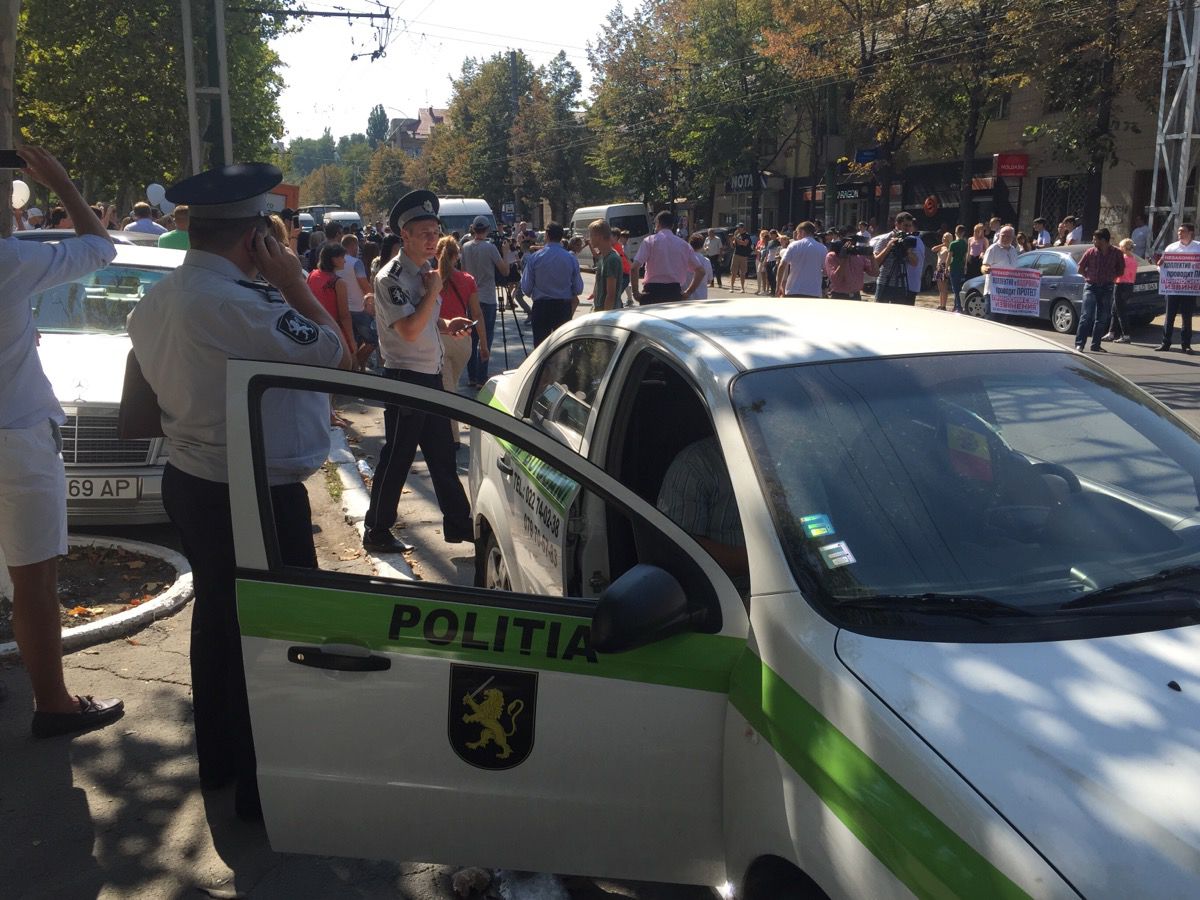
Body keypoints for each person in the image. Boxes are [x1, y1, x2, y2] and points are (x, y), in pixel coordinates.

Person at [127, 163, 351, 820]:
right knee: (274, 636)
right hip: (251, 496)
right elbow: (332, 350)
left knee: (221, 624)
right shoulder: (235, 302)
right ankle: (270, 786)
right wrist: (290, 280)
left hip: (197, 482)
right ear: (257, 235)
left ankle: (224, 760)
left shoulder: (160, 299)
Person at [2, 144, 123, 739]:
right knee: (34, 580)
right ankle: (53, 704)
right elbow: (101, 246)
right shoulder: (9, 262)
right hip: (17, 436)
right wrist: (64, 185)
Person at [362, 189, 474, 551]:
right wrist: (435, 291)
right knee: (397, 457)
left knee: (443, 455)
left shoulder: (424, 271)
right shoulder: (390, 277)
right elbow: (408, 330)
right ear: (404, 236)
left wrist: (444, 323)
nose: (432, 240)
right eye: (423, 232)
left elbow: (421, 320)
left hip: (429, 375)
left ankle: (460, 525)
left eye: (435, 231)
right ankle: (376, 530)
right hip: (405, 378)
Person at [656, 436, 747, 588]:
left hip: (794, 580)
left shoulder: (787, 455)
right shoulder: (695, 464)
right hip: (726, 595)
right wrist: (758, 562)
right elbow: (678, 548)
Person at [436, 236, 487, 439]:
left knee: (447, 390)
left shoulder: (430, 278)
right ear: (457, 256)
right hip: (462, 340)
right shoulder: (467, 279)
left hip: (439, 337)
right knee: (451, 386)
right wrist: (483, 343)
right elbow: (477, 313)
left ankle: (451, 437)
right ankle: (448, 433)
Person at [460, 216, 508, 387]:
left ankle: (472, 375)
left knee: (472, 338)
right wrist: (507, 253)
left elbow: (463, 272)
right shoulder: (490, 248)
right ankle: (482, 376)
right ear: (487, 229)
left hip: (470, 297)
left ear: (473, 228)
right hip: (487, 296)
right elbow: (504, 270)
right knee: (485, 337)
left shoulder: (465, 247)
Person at [520, 221, 584, 346]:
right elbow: (578, 288)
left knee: (540, 348)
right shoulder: (571, 259)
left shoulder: (535, 257)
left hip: (541, 307)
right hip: (563, 308)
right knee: (562, 348)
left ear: (547, 235)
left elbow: (526, 288)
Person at [631, 211, 705, 305]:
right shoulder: (684, 245)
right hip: (674, 292)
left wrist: (635, 293)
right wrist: (688, 292)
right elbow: (701, 271)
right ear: (673, 225)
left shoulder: (649, 241)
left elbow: (634, 268)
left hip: (652, 293)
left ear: (658, 223)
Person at [1074, 228, 1125, 352]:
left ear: (1103, 240)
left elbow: (1121, 270)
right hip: (1091, 286)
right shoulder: (1090, 252)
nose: (1093, 241)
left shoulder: (1116, 253)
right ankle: (1080, 343)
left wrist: (1111, 277)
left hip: (1107, 287)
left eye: (1095, 239)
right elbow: (1080, 269)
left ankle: (1095, 345)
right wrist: (1088, 277)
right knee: (1086, 316)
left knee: (1102, 318)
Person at [1156, 221, 1200, 354]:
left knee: (1187, 317)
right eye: (1179, 231)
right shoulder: (1171, 248)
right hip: (1172, 288)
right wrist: (1160, 265)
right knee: (1169, 316)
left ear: (1191, 233)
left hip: (1190, 288)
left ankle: (1186, 345)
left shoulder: (1198, 248)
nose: (1179, 233)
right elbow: (1162, 267)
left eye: (1183, 231)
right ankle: (1165, 343)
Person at [307, 242, 356, 353]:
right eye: (342, 257)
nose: (344, 260)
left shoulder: (312, 275)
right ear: (334, 259)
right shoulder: (338, 283)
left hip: (316, 330)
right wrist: (352, 341)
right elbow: (344, 316)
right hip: (335, 333)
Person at [338, 233, 377, 369]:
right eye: (357, 246)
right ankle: (356, 365)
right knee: (373, 340)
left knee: (353, 342)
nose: (358, 249)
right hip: (360, 308)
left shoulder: (337, 261)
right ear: (353, 245)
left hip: (344, 309)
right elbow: (364, 285)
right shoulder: (356, 263)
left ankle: (358, 368)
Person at [871, 212, 922, 305]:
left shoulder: (909, 240)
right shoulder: (884, 239)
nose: (908, 229)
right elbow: (875, 262)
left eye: (910, 226)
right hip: (884, 282)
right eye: (905, 225)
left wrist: (908, 251)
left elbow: (915, 263)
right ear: (897, 224)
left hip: (901, 284)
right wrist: (888, 247)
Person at [981, 225, 1021, 319]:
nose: (1006, 238)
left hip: (1007, 293)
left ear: (1013, 238)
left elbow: (1016, 270)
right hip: (993, 292)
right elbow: (983, 266)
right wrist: (986, 269)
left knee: (1003, 321)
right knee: (991, 320)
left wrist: (1033, 277)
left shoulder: (1013, 251)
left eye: (1008, 236)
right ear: (999, 235)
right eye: (1003, 235)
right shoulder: (993, 249)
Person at [824, 231, 878, 301]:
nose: (851, 244)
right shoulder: (832, 256)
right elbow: (836, 280)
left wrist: (871, 256)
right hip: (839, 296)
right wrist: (844, 258)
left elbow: (875, 273)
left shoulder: (859, 255)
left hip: (856, 296)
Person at [1103, 238, 1137, 344]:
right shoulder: (1133, 259)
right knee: (1115, 310)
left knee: (1120, 311)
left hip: (1121, 285)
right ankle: (1111, 332)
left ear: (1124, 248)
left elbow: (1116, 271)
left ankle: (1126, 335)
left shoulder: (1124, 259)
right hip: (1129, 285)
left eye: (1120, 246)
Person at [589, 220, 623, 312]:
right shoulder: (603, 257)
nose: (589, 238)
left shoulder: (612, 259)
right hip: (599, 310)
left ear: (599, 237)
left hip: (608, 314)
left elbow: (610, 295)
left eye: (591, 235)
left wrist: (603, 317)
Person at [948, 225, 968, 313]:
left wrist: (947, 266)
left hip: (954, 267)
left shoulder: (953, 244)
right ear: (963, 233)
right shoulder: (965, 243)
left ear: (955, 232)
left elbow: (949, 257)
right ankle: (956, 306)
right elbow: (965, 257)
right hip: (961, 267)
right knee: (959, 287)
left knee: (955, 288)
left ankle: (958, 307)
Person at [687, 234, 713, 299]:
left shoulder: (684, 259)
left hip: (686, 298)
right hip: (701, 298)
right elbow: (709, 280)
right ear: (702, 246)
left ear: (689, 244)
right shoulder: (706, 261)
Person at [729, 224, 752, 292]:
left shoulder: (747, 235)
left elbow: (745, 243)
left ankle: (742, 288)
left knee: (742, 273)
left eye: (739, 228)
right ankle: (732, 287)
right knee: (733, 272)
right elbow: (733, 246)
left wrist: (735, 238)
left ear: (742, 228)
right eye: (737, 228)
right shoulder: (737, 235)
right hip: (736, 254)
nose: (737, 229)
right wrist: (731, 240)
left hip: (744, 256)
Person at [934, 232, 952, 310]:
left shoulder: (949, 248)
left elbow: (950, 259)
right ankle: (940, 304)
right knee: (940, 288)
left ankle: (944, 305)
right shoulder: (942, 247)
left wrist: (947, 269)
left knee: (944, 288)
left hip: (944, 267)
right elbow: (933, 249)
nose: (943, 238)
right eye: (943, 237)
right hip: (938, 268)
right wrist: (943, 244)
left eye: (945, 237)